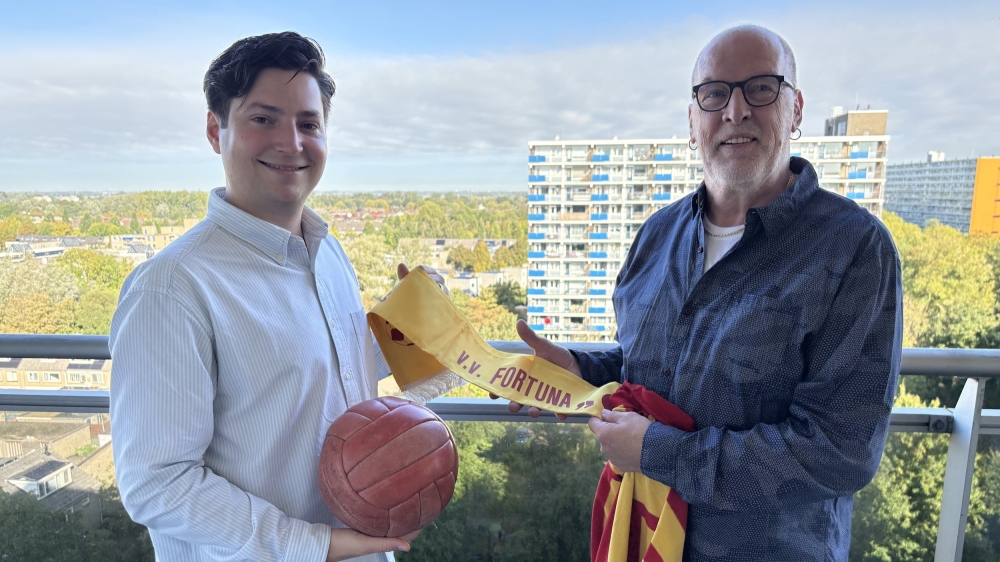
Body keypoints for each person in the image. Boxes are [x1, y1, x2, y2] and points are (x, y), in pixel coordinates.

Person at [509, 25, 902, 561]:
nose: (736, 110)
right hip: (638, 535)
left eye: (761, 88)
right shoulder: (656, 235)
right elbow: (662, 365)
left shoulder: (855, 248)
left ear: (796, 108)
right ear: (693, 120)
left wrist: (658, 453)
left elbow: (838, 450)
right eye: (714, 93)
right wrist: (581, 369)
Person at [109, 32, 443, 562]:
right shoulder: (172, 288)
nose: (292, 142)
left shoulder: (327, 254)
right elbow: (157, 483)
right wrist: (317, 545)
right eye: (263, 119)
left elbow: (333, 376)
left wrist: (415, 323)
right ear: (216, 131)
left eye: (308, 123)